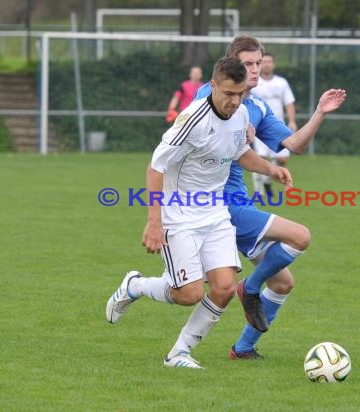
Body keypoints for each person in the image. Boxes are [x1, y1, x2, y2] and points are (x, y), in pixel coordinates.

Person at [105, 56, 293, 369]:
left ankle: (179, 353)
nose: (235, 102)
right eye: (229, 94)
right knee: (188, 293)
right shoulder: (192, 119)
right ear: (214, 85)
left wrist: (270, 169)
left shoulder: (241, 112)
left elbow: (240, 152)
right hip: (178, 216)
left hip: (215, 212)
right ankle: (135, 285)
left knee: (223, 288)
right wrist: (154, 222)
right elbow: (155, 167)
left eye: (241, 94)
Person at [191, 36, 346, 360]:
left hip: (240, 203)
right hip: (216, 203)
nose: (254, 69)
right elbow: (203, 132)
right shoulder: (212, 95)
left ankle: (244, 349)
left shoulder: (257, 106)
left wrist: (319, 112)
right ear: (230, 65)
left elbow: (295, 145)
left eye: (258, 63)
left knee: (282, 283)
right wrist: (235, 128)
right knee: (300, 236)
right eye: (247, 63)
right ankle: (248, 289)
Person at [251, 52, 297, 195]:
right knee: (260, 159)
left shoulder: (281, 82)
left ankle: (266, 182)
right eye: (263, 62)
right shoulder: (254, 82)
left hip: (278, 127)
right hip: (259, 128)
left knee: (282, 159)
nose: (266, 64)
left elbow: (289, 103)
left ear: (274, 64)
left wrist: (292, 121)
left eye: (269, 61)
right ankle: (258, 192)